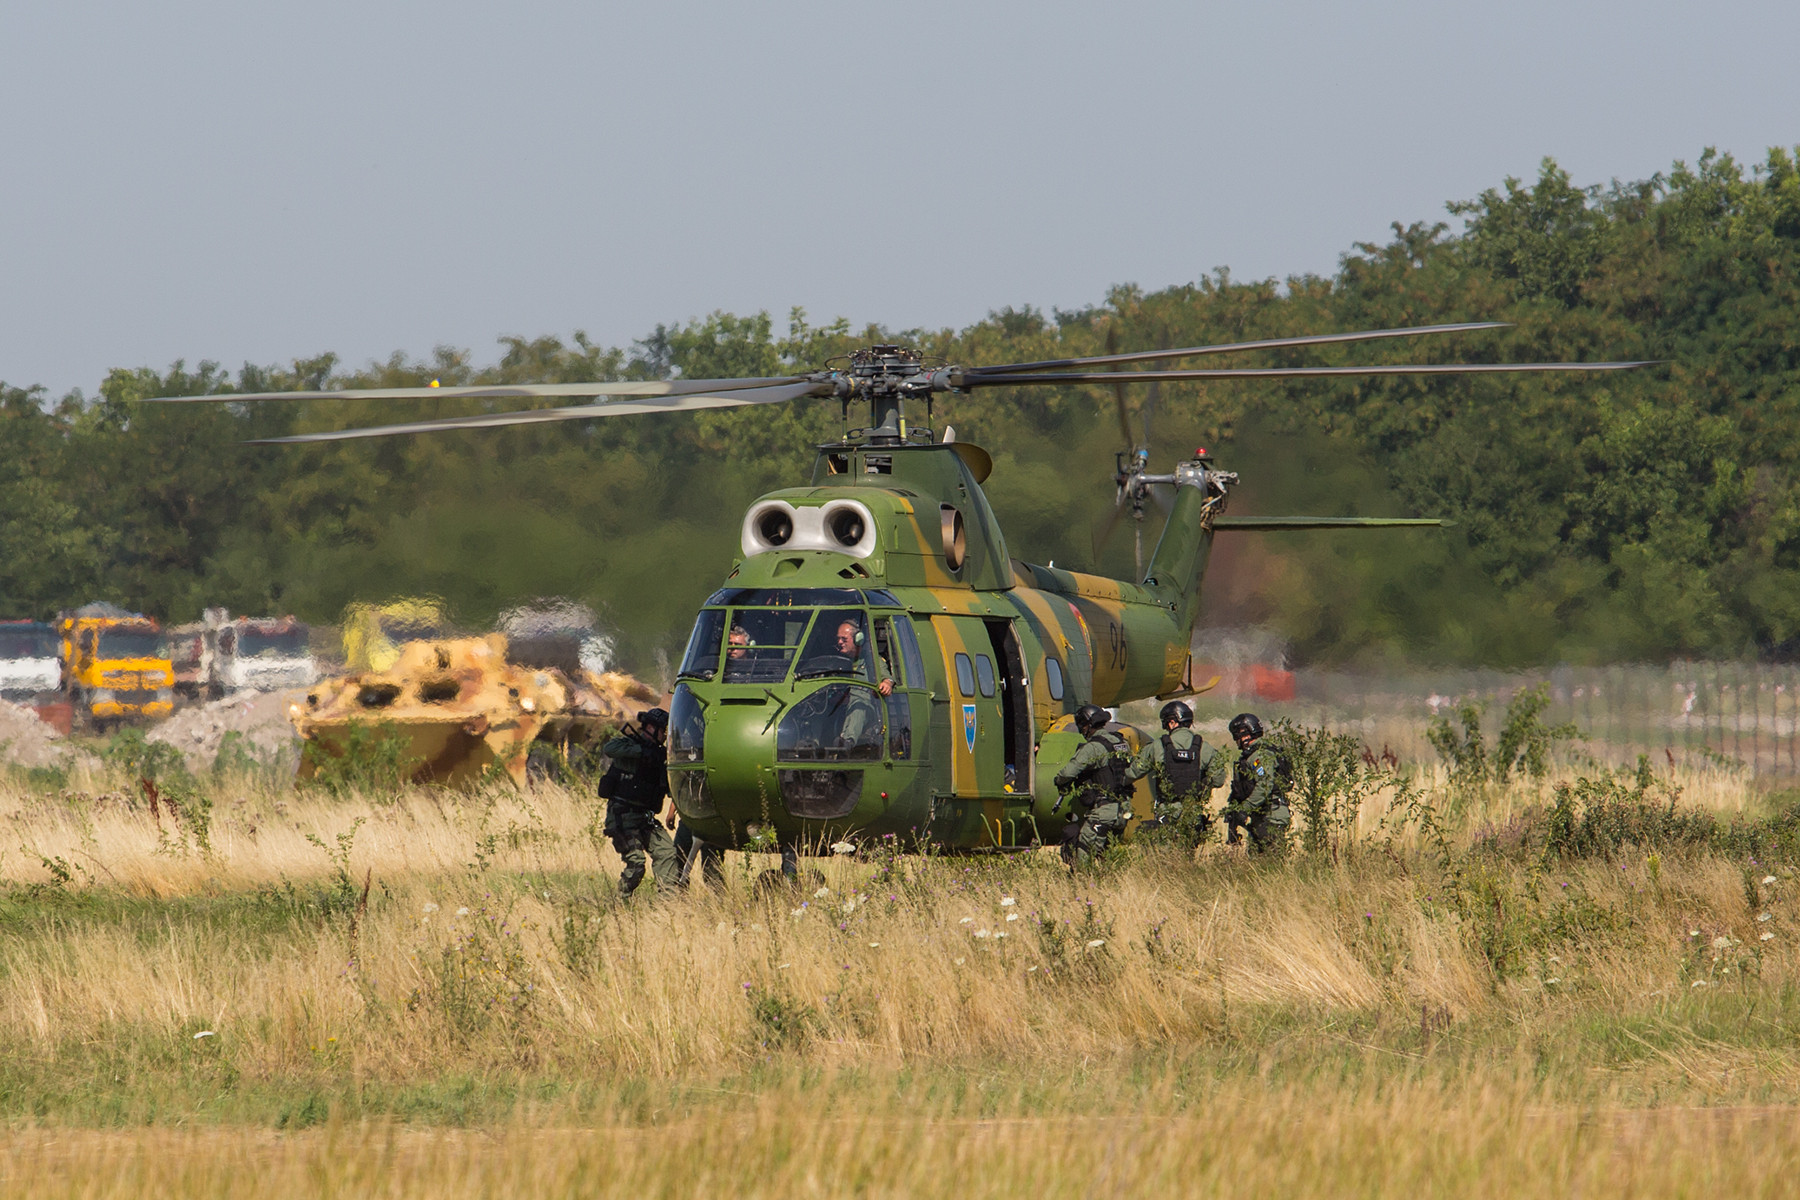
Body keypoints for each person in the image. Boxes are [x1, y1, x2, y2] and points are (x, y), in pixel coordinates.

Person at [600, 708, 681, 898]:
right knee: (636, 864)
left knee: (667, 853)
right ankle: (620, 901)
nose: (664, 735)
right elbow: (610, 748)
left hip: (645, 819)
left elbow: (671, 788)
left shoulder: (661, 757)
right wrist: (642, 752)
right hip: (622, 818)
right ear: (651, 728)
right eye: (662, 730)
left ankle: (668, 906)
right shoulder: (629, 744)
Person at [1128, 700, 1228, 847]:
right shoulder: (1204, 748)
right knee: (1187, 854)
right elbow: (1219, 780)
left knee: (1165, 854)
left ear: (1171, 723)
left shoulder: (1157, 746)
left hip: (1167, 811)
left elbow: (1133, 772)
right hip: (1192, 811)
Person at [1052, 704, 1134, 868]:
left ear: (1086, 725)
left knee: (1083, 854)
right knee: (1107, 855)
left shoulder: (1093, 747)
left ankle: (1084, 886)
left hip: (1103, 811)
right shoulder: (1121, 743)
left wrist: (1058, 781)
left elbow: (1067, 773)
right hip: (1123, 808)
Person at [1223, 712, 1290, 855]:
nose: (1236, 741)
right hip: (1263, 816)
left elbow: (1265, 785)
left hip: (1271, 815)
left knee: (1271, 861)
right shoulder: (1254, 755)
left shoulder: (1259, 756)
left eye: (1237, 736)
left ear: (1245, 734)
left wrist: (1244, 808)